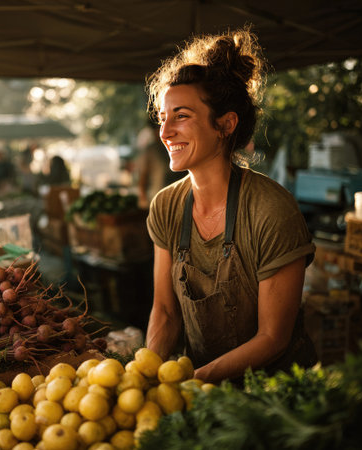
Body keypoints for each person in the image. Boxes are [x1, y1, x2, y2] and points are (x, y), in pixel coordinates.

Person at [145, 29, 317, 384]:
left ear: (225, 124)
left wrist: (194, 381)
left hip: (274, 396)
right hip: (203, 394)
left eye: (181, 116)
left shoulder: (271, 210)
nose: (165, 132)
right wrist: (145, 377)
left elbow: (273, 338)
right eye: (163, 117)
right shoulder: (166, 206)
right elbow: (164, 313)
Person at [137, 120, 187, 208]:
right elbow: (142, 177)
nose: (162, 133)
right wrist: (143, 199)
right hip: (159, 200)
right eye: (157, 130)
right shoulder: (151, 150)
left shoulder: (179, 147)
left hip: (181, 199)